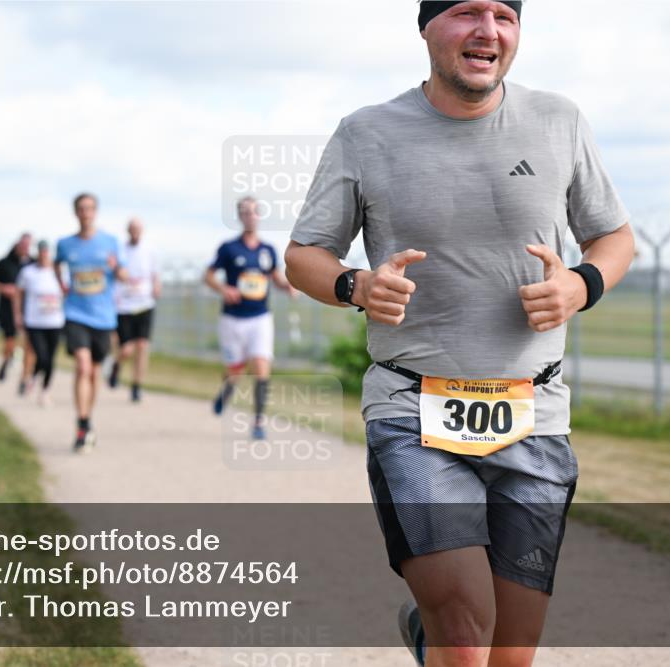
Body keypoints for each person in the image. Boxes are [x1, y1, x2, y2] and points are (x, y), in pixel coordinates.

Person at [284, 2, 635, 665]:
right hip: (412, 409)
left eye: (505, 15)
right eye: (467, 12)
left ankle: (428, 639)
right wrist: (356, 285)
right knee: (467, 626)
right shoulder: (366, 133)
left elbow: (614, 236)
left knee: (512, 647)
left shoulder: (558, 120)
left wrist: (581, 283)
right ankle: (441, 633)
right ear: (426, 27)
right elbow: (304, 254)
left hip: (535, 412)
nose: (488, 30)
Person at [205, 196, 297, 440]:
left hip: (260, 317)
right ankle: (226, 392)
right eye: (245, 212)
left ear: (259, 216)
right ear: (240, 216)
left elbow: (275, 277)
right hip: (233, 319)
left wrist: (287, 287)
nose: (250, 216)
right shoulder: (228, 248)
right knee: (235, 371)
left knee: (260, 367)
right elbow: (209, 276)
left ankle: (258, 421)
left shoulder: (268, 250)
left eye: (254, 212)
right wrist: (224, 289)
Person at [55, 193, 126, 452]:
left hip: (103, 316)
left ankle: (88, 417)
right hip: (76, 313)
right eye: (81, 209)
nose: (86, 213)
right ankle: (82, 423)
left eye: (90, 208)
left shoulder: (110, 242)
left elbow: (124, 275)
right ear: (76, 212)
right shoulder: (64, 244)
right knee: (83, 366)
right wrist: (63, 285)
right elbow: (56, 265)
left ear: (96, 212)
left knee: (94, 372)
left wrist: (115, 267)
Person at [109, 217, 161, 403]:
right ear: (128, 231)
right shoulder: (120, 250)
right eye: (132, 229)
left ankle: (136, 385)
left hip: (145, 303)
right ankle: (116, 365)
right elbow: (113, 274)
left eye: (138, 229)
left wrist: (156, 286)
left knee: (142, 346)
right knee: (127, 349)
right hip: (124, 305)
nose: (135, 232)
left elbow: (155, 274)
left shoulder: (150, 250)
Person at [12, 240, 65, 407]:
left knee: (50, 359)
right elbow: (18, 294)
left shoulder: (58, 272)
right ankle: (33, 377)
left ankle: (44, 391)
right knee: (41, 356)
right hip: (35, 321)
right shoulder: (28, 272)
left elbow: (67, 292)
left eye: (46, 252)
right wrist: (18, 314)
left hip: (55, 321)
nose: (44, 255)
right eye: (41, 252)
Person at [0, 234, 34, 385]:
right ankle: (6, 360)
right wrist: (3, 288)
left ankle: (25, 375)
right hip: (7, 308)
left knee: (30, 342)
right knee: (10, 339)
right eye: (23, 245)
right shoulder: (4, 263)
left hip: (30, 308)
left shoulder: (33, 264)